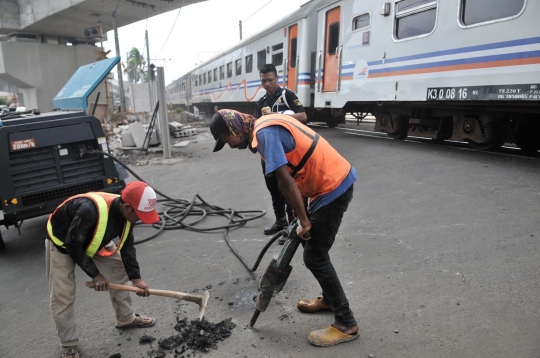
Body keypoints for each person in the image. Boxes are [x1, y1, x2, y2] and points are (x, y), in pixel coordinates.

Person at [210, 109, 359, 347]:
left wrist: (305, 221)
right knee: (315, 249)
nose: (227, 145)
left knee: (315, 256)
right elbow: (294, 167)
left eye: (224, 140)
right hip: (327, 181)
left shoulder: (265, 134)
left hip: (332, 185)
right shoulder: (263, 127)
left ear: (233, 130)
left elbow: (284, 180)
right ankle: (330, 301)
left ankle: (346, 323)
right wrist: (296, 213)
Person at [45, 181, 160, 358]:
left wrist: (136, 279)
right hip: (63, 243)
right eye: (140, 214)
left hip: (94, 238)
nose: (141, 219)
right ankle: (69, 345)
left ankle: (125, 318)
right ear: (127, 207)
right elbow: (73, 245)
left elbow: (127, 247)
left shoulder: (128, 214)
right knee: (63, 294)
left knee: (119, 271)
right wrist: (96, 275)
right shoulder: (88, 210)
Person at [256, 64, 307, 243]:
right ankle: (280, 222)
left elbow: (303, 116)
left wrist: (280, 118)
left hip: (286, 153)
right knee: (273, 188)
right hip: (267, 153)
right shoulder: (262, 101)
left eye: (270, 80)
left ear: (277, 78)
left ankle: (293, 227)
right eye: (264, 81)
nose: (267, 84)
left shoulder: (287, 95)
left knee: (286, 188)